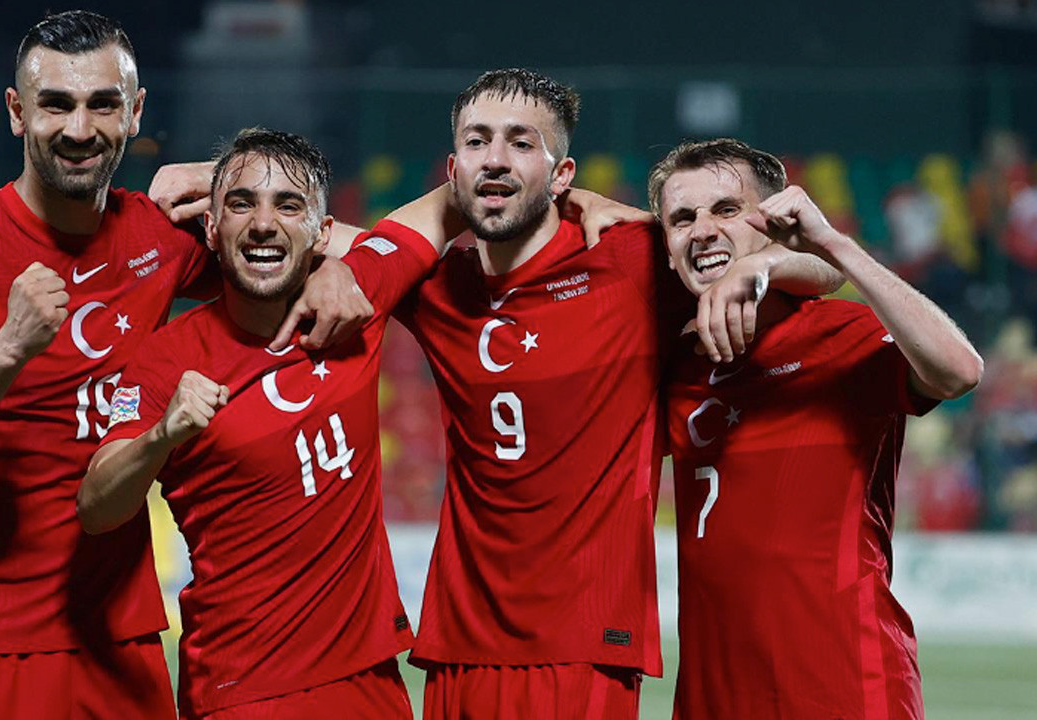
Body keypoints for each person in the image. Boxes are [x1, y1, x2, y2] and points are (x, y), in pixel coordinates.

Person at [286, 68, 844, 719]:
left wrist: (760, 263)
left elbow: (827, 266)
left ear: (562, 175)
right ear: (453, 169)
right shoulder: (437, 284)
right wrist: (213, 182)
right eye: (477, 142)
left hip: (582, 646)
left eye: (522, 143)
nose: (496, 158)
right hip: (457, 645)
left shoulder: (630, 259)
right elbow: (291, 230)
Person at [0, 12, 366, 719]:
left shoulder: (156, 237)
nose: (80, 128)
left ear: (135, 113)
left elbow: (307, 236)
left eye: (102, 104)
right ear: (17, 113)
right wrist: (8, 348)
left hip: (121, 633)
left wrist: (331, 263)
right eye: (56, 105)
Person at [81, 127, 470, 719]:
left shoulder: (354, 302)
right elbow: (97, 506)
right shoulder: (167, 358)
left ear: (323, 233)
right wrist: (161, 436)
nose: (263, 223)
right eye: (241, 204)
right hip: (242, 688)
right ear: (212, 228)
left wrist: (581, 200)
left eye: (288, 205)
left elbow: (456, 197)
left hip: (368, 682)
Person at [651, 138, 984, 720]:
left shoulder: (843, 335)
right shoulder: (670, 364)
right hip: (713, 694)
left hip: (846, 683)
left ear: (774, 222)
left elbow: (960, 370)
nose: (702, 230)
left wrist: (828, 245)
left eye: (726, 209)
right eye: (682, 219)